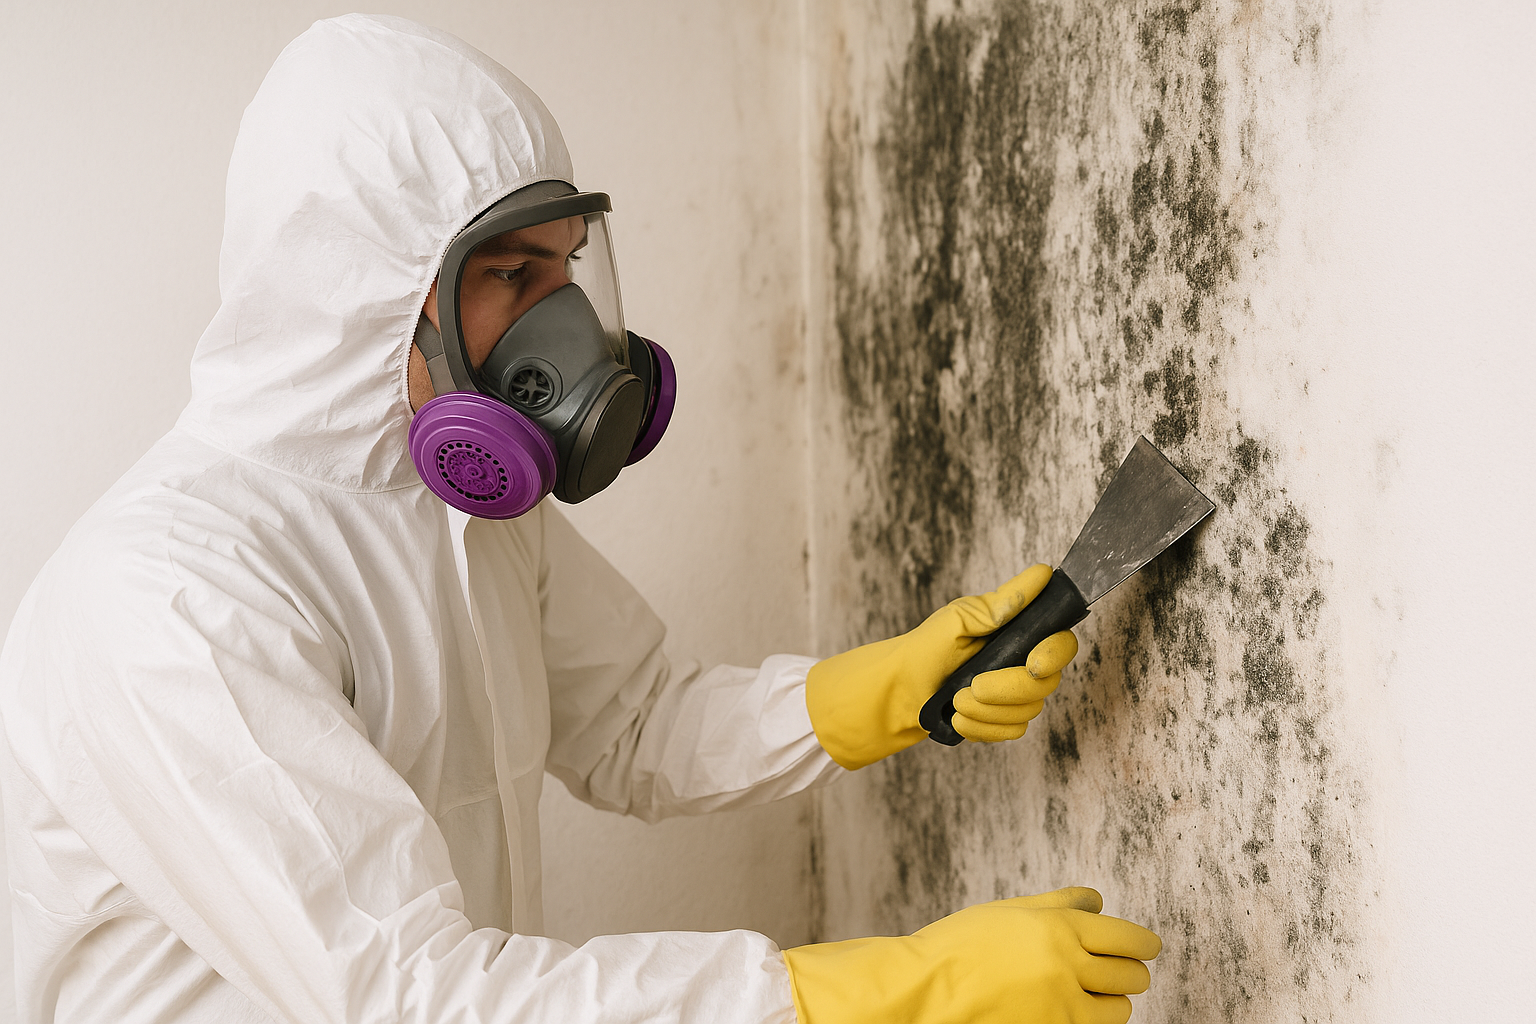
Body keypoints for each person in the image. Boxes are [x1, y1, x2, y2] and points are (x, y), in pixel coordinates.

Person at [0, 14, 1160, 1024]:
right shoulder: (170, 598)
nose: (563, 328)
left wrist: (868, 696)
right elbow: (414, 995)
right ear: (363, 292)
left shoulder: (459, 508)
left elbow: (633, 725)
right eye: (513, 275)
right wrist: (881, 991)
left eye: (565, 269)